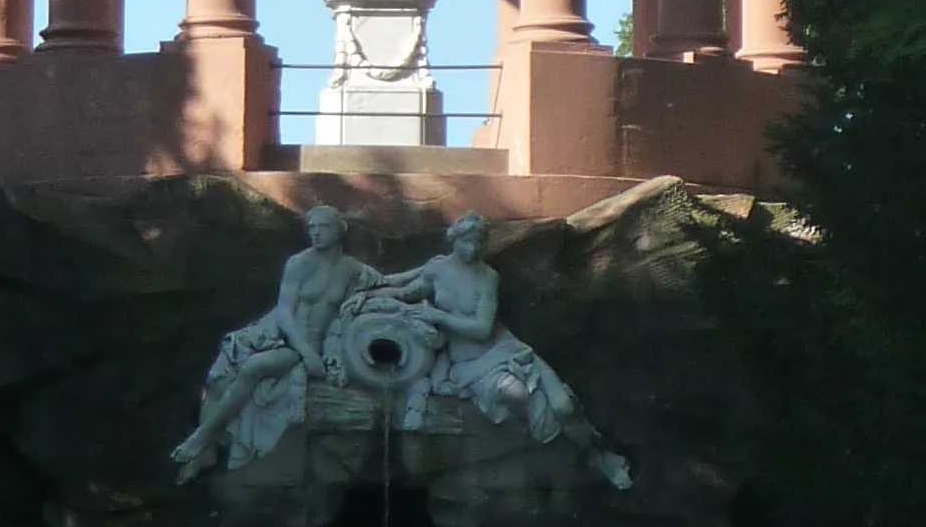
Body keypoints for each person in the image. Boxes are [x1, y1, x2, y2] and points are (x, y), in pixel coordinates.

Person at [381, 211, 631, 487]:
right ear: (454, 239)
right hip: (471, 366)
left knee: (564, 405)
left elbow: (482, 329)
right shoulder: (437, 269)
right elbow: (404, 288)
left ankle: (599, 454)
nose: (473, 248)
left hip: (504, 350)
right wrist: (369, 293)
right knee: (516, 393)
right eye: (467, 241)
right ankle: (557, 451)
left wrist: (440, 318)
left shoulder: (488, 278)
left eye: (479, 242)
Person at [171, 204, 378, 479]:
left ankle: (204, 438)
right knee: (228, 368)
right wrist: (307, 354)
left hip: (312, 341)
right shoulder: (299, 263)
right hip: (284, 333)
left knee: (254, 367)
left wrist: (431, 269)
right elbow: (284, 311)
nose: (315, 233)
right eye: (312, 228)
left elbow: (390, 283)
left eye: (323, 227)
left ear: (340, 231)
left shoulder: (352, 270)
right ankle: (204, 441)